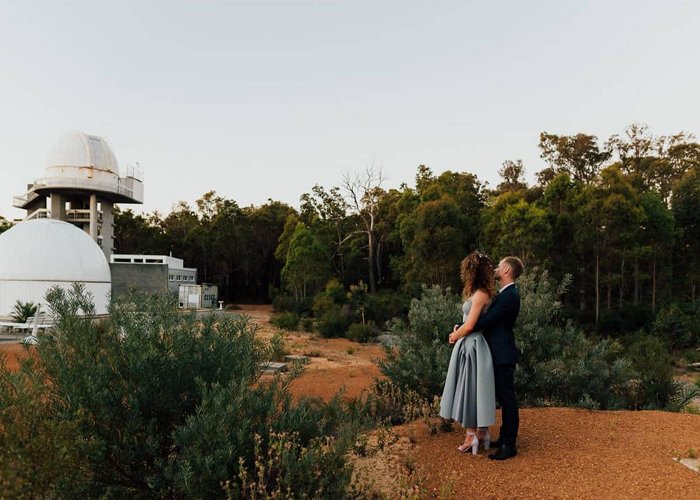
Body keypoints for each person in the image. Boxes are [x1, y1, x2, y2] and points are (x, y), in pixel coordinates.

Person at [439, 251, 496, 455]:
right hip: (470, 344)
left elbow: (470, 325)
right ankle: (482, 433)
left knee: (470, 388)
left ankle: (471, 435)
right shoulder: (483, 293)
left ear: (472, 271)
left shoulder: (480, 294)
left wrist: (454, 336)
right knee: (473, 388)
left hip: (472, 345)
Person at [472, 256, 523, 461]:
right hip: (498, 353)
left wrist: (464, 328)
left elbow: (489, 319)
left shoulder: (510, 295)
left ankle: (509, 445)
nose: (495, 268)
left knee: (508, 399)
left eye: (499, 266)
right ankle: (504, 438)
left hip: (503, 354)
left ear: (507, 271)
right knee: (503, 398)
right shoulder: (504, 294)